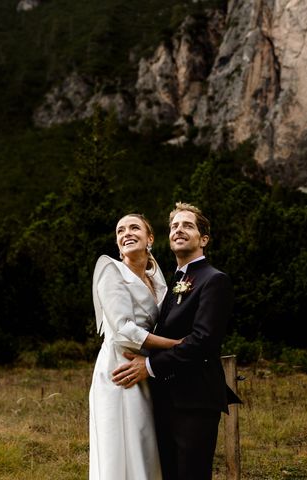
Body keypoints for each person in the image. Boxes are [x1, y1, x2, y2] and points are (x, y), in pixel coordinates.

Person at [112, 202, 240, 480]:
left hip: (195, 400)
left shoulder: (214, 280)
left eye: (187, 225)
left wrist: (149, 366)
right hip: (164, 399)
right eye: (174, 226)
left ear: (203, 239)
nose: (178, 230)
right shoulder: (171, 282)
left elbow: (203, 342)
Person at [89, 213, 182, 480]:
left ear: (149, 238)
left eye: (134, 228)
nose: (126, 233)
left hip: (147, 368)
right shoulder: (110, 270)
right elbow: (123, 330)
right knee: (121, 444)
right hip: (120, 367)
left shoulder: (158, 280)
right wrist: (174, 345)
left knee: (144, 442)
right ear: (118, 244)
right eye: (120, 231)